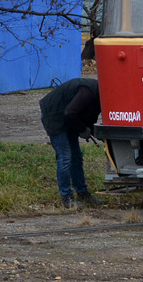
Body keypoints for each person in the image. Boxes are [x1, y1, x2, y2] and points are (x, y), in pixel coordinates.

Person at [39, 77, 103, 208]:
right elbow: (70, 112)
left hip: (68, 117)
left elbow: (89, 115)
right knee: (65, 158)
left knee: (77, 157)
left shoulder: (98, 95)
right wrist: (82, 129)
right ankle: (67, 198)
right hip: (54, 115)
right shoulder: (88, 92)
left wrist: (92, 130)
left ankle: (82, 193)